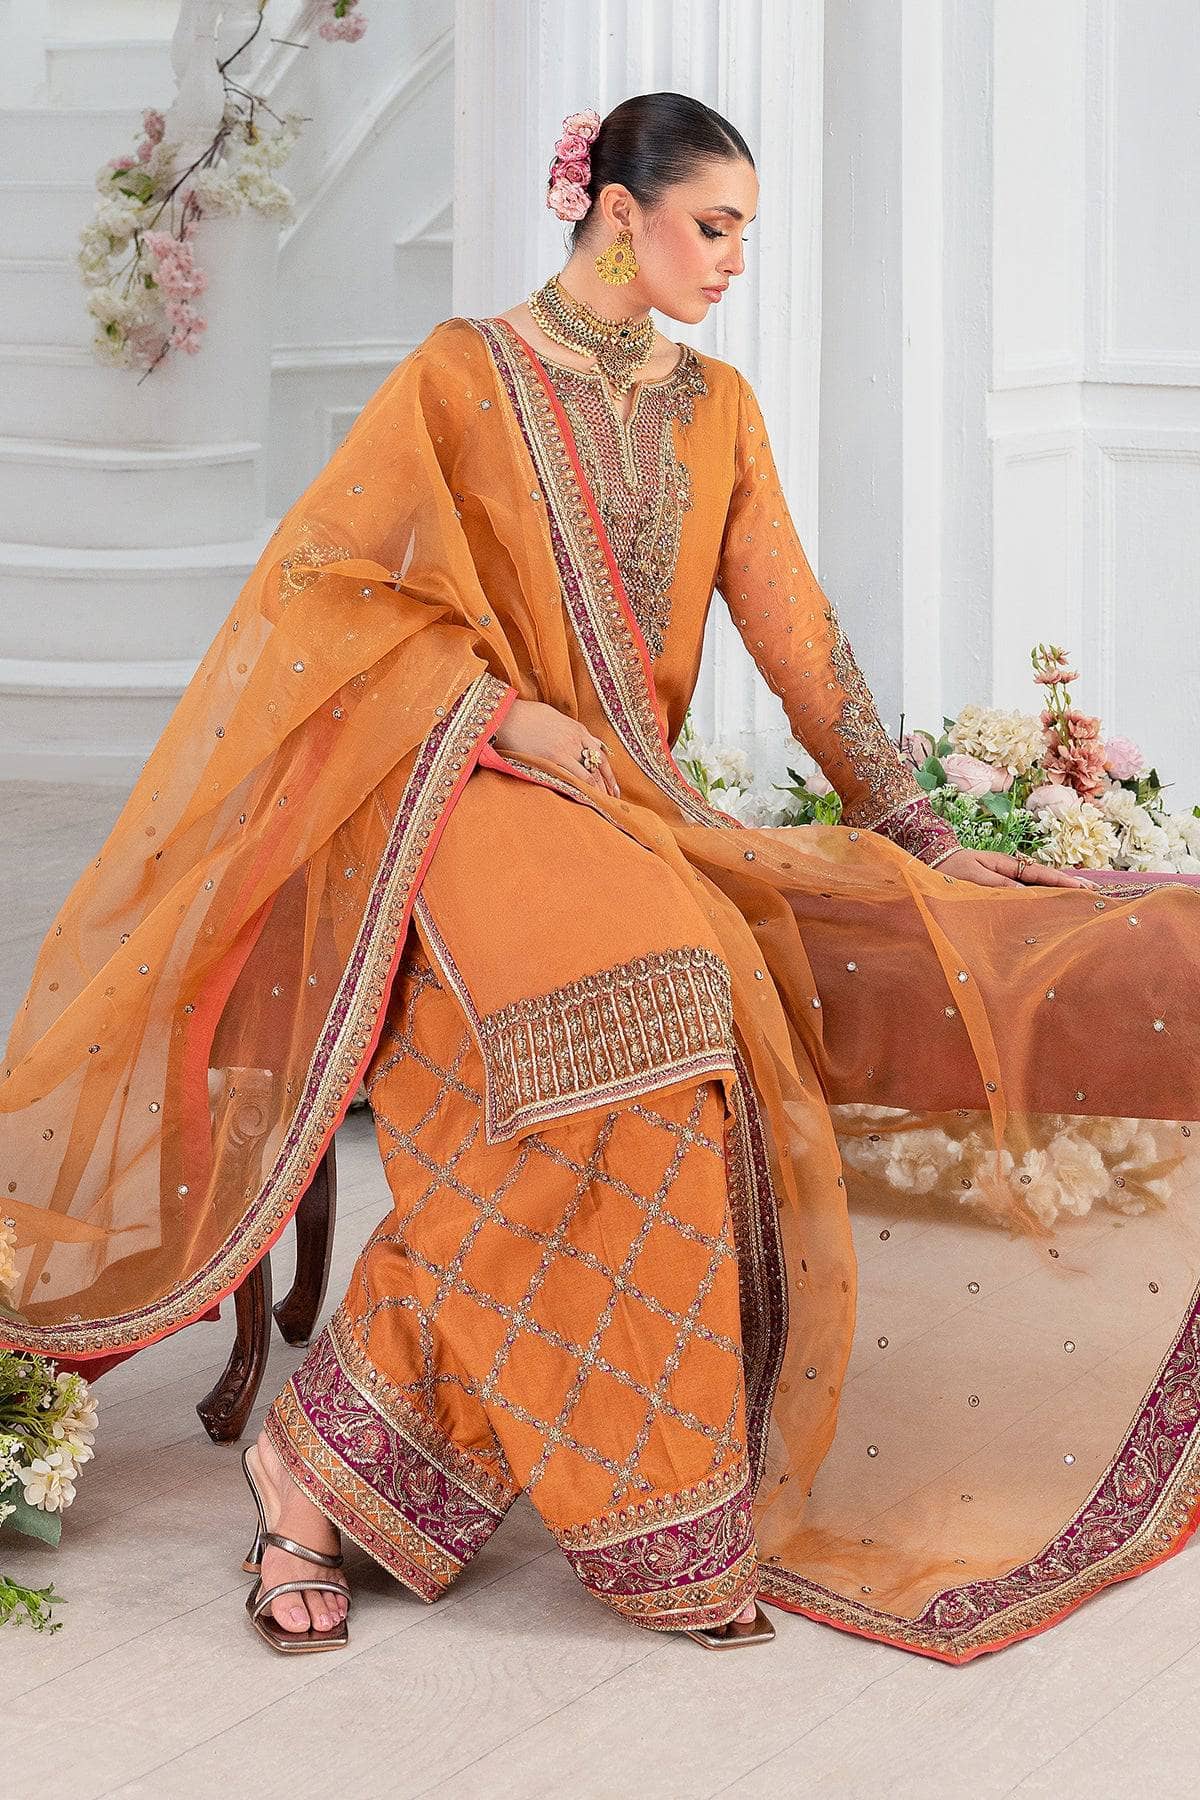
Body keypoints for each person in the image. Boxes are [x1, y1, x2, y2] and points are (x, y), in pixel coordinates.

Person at [4, 92, 1200, 1664]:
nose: (733, 261)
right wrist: (503, 713)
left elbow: (796, 632)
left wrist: (908, 818)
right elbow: (327, 591)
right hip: (459, 790)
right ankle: (455, 1488)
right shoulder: (462, 374)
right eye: (714, 226)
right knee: (638, 1010)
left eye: (748, 235)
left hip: (624, 807)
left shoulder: (719, 411)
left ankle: (330, 1459)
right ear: (615, 212)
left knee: (677, 1027)